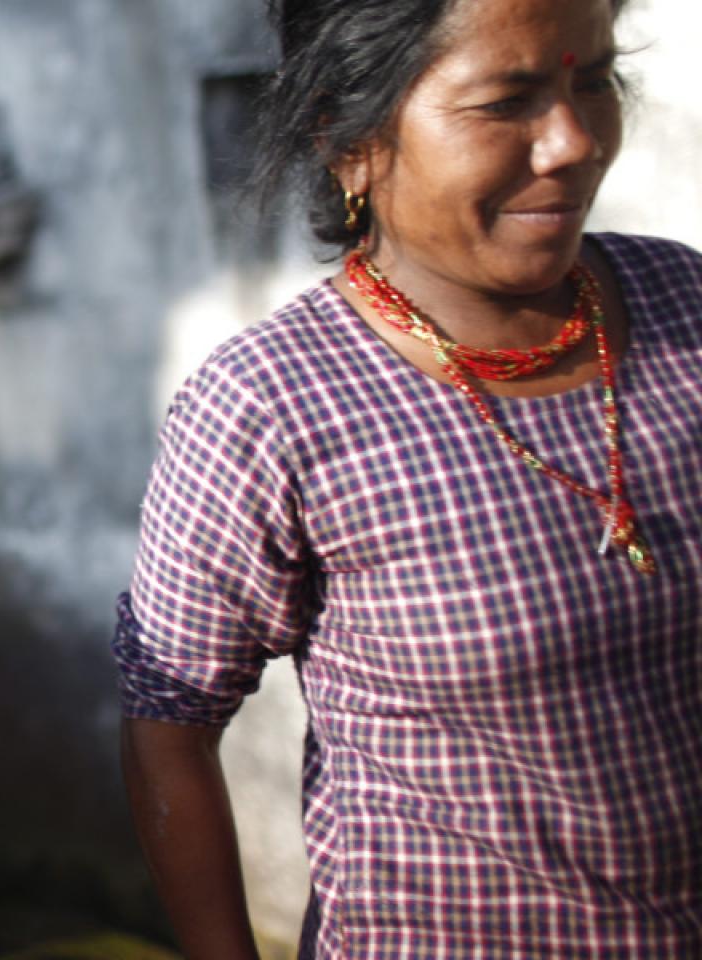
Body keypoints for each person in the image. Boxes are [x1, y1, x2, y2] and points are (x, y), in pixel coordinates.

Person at [113, 0, 701, 955]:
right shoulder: (274, 402)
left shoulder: (684, 307)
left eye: (593, 81)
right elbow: (170, 725)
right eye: (506, 101)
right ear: (350, 139)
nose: (574, 141)